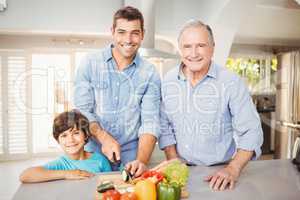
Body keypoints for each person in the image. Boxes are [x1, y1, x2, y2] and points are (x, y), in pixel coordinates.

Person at [159, 19, 263, 191]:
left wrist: (233, 168)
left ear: (213, 47)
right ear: (180, 49)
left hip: (220, 172)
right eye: (187, 46)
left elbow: (252, 131)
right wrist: (172, 158)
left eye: (201, 45)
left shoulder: (231, 82)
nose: (193, 53)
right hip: (179, 172)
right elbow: (164, 124)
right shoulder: (168, 81)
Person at [74, 6, 161, 177]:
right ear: (112, 31)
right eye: (122, 32)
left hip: (132, 159)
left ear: (142, 34)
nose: (128, 39)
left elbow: (150, 121)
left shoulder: (150, 73)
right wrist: (104, 137)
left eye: (135, 33)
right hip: (92, 156)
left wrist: (141, 161)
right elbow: (83, 110)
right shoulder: (90, 63)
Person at [19, 110, 111, 183]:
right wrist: (67, 174)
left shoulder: (100, 160)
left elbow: (111, 185)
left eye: (76, 133)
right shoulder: (60, 164)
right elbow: (25, 175)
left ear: (86, 135)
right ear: (58, 140)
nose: (70, 140)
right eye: (64, 135)